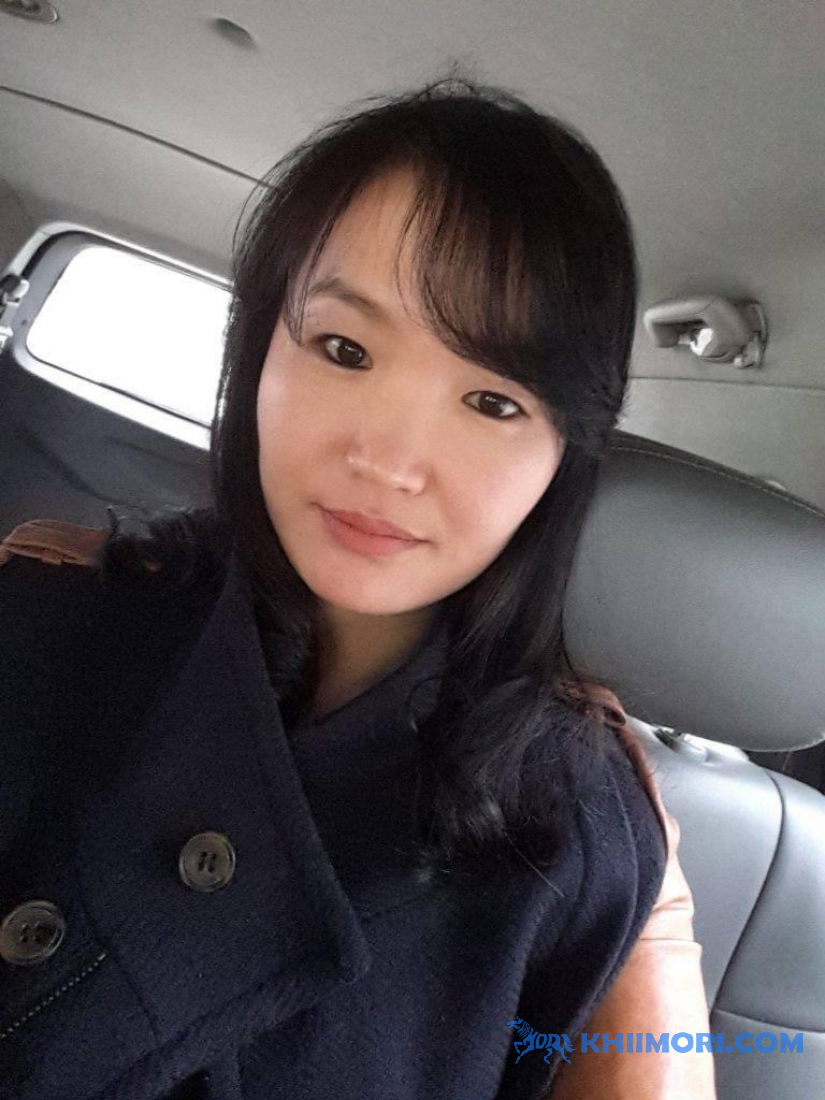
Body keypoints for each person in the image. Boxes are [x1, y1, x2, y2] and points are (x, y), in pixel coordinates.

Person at [0, 73, 716, 1098]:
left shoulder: (581, 839)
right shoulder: (43, 627)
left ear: (564, 455)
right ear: (259, 351)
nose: (388, 460)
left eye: (491, 401)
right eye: (343, 348)